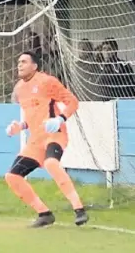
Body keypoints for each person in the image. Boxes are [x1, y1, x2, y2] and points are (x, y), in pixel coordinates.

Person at [5, 51, 88, 228]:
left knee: (51, 163)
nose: (19, 65)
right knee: (12, 176)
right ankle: (44, 213)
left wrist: (60, 119)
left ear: (34, 66)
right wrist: (21, 126)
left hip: (55, 134)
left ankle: (79, 209)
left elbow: (72, 101)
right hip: (35, 140)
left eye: (24, 61)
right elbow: (33, 115)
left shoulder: (47, 81)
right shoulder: (19, 88)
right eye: (18, 61)